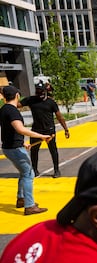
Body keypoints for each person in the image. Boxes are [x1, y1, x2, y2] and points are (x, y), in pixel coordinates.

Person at [0, 86, 51, 215]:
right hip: (14, 149)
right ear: (17, 95)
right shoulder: (12, 111)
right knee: (29, 174)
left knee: (24, 173)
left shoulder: (4, 109)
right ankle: (30, 206)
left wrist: (22, 142)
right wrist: (41, 136)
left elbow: (9, 131)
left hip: (10, 146)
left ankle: (21, 199)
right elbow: (20, 129)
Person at [20, 83, 70, 178]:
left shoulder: (51, 103)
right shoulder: (31, 100)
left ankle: (56, 170)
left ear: (45, 91)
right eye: (38, 91)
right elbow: (16, 104)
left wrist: (66, 129)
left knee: (53, 150)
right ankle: (34, 169)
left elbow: (59, 117)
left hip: (49, 130)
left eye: (41, 91)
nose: (39, 93)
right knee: (34, 150)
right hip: (36, 130)